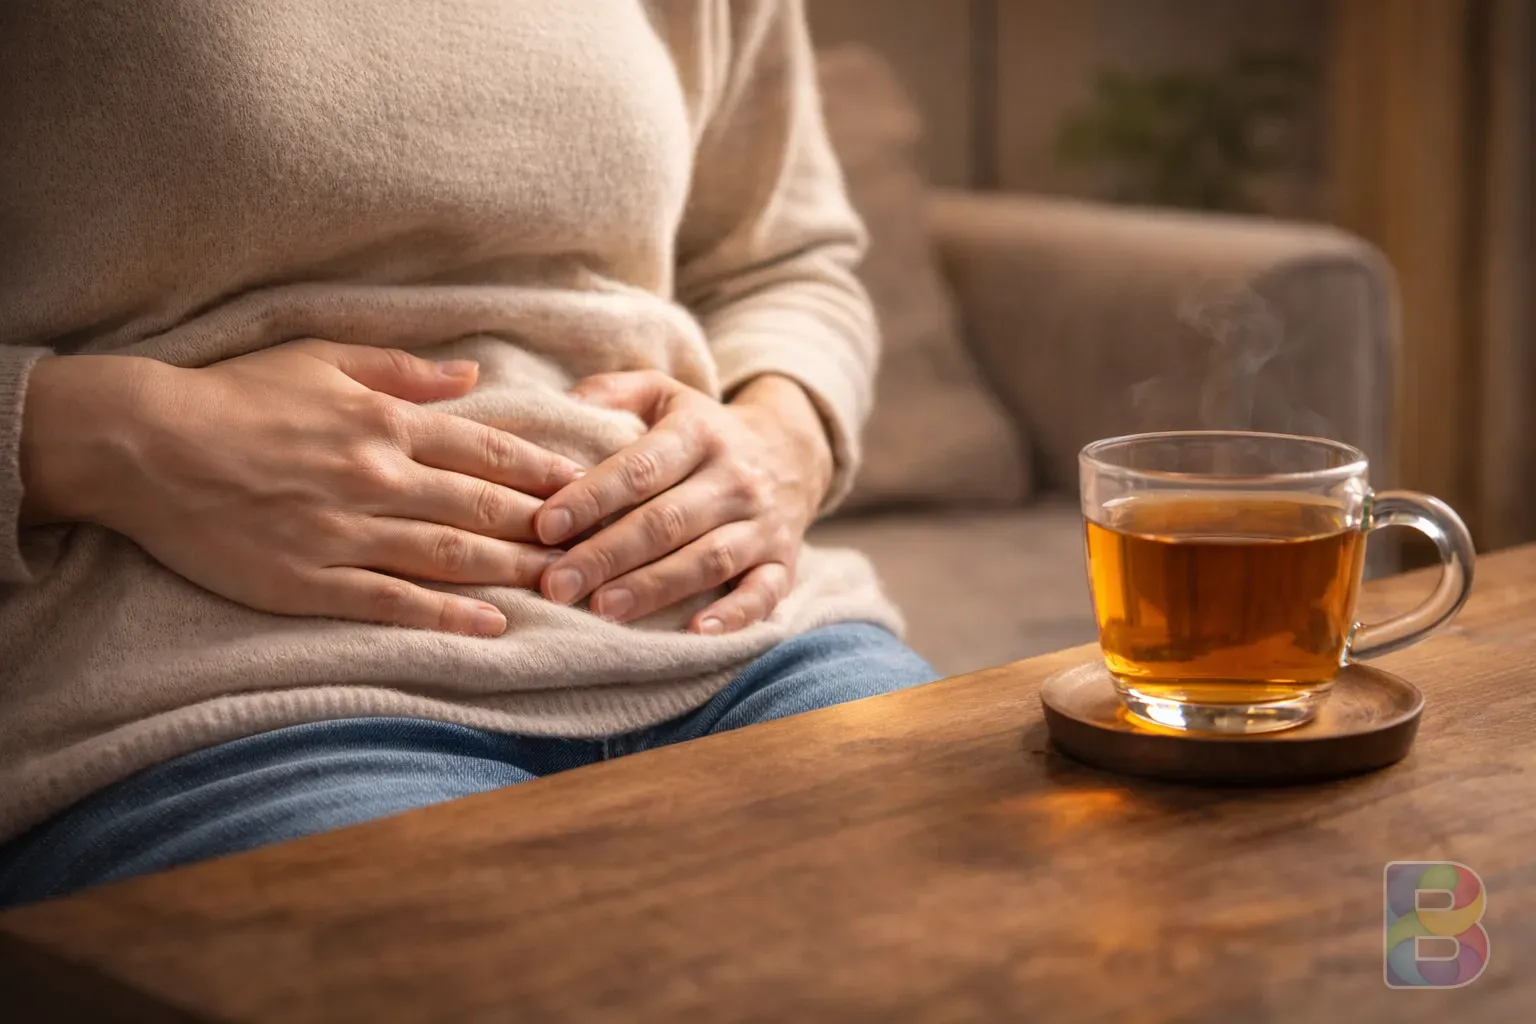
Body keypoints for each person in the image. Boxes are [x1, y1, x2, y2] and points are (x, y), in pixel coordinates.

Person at [0, 0, 939, 907]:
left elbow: (785, 260)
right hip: (228, 708)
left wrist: (783, 438)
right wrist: (113, 436)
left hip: (744, 647)